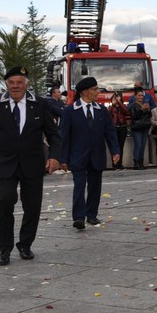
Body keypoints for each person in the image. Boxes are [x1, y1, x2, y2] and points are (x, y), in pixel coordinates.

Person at [0, 66, 61, 265]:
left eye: (19, 82)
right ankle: (4, 248)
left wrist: (55, 157)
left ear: (26, 84)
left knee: (32, 206)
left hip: (33, 163)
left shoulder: (40, 104)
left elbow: (53, 134)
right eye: (11, 83)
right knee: (5, 201)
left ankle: (25, 244)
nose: (15, 86)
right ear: (6, 84)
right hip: (5, 162)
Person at [58, 77, 120, 229]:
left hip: (97, 155)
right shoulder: (70, 111)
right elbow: (64, 137)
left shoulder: (102, 110)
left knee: (95, 186)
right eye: (95, 89)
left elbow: (110, 132)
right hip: (78, 156)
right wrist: (63, 158)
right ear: (85, 92)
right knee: (79, 185)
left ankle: (91, 214)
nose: (98, 92)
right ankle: (79, 217)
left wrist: (115, 150)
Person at [128, 90, 152, 170]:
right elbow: (134, 117)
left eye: (142, 95)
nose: (141, 97)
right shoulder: (133, 106)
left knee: (142, 146)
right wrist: (142, 109)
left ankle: (141, 162)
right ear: (135, 96)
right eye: (139, 95)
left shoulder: (145, 104)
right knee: (138, 145)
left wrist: (148, 109)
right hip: (137, 128)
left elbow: (150, 115)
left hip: (145, 127)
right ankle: (136, 163)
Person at [108, 92, 130, 169]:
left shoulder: (122, 106)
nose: (116, 99)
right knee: (114, 146)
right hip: (114, 128)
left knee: (121, 146)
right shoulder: (111, 108)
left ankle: (120, 163)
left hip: (122, 127)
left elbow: (126, 111)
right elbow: (108, 115)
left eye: (117, 97)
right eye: (115, 97)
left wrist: (119, 102)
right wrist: (113, 104)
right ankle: (114, 163)